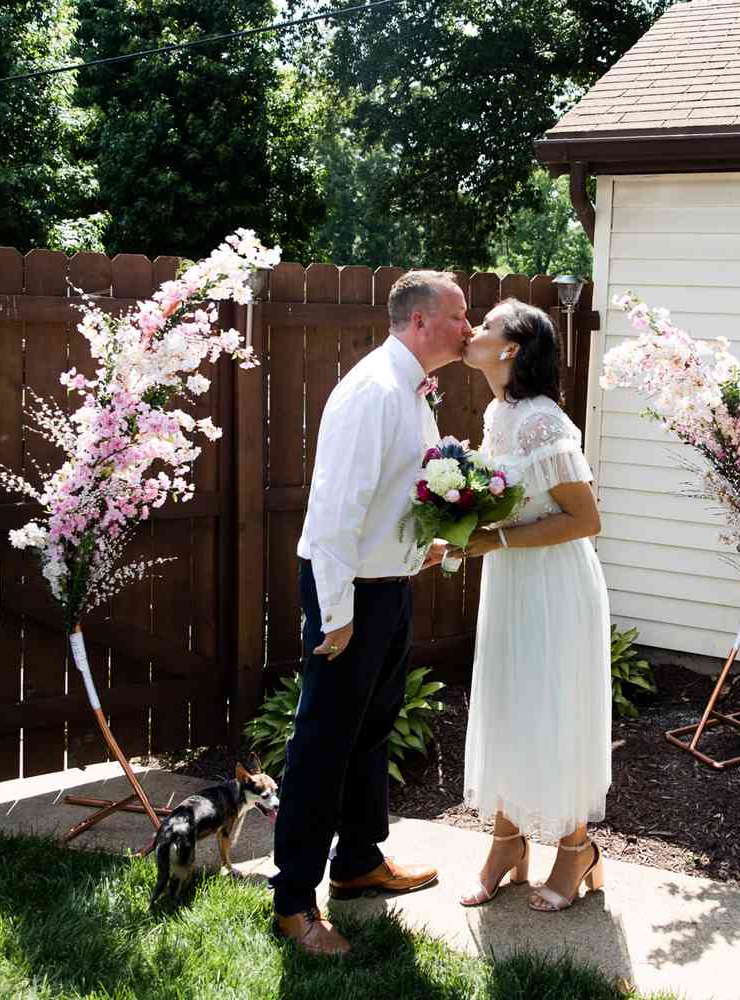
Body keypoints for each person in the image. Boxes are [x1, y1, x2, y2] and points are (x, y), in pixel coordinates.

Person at [269, 270, 470, 955]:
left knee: (370, 731)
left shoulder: (414, 393)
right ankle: (293, 904)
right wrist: (336, 614)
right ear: (418, 322)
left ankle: (356, 863)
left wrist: (422, 550)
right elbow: (333, 513)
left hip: (389, 587)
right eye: (458, 317)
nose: (468, 330)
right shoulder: (373, 391)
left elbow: (390, 499)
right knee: (322, 745)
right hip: (348, 592)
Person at [453, 299, 613, 912]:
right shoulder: (499, 412)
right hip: (513, 581)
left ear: (512, 348)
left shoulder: (543, 422)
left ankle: (575, 851)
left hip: (554, 588)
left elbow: (585, 519)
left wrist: (486, 540)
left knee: (550, 710)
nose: (473, 331)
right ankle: (506, 844)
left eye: (487, 326)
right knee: (506, 703)